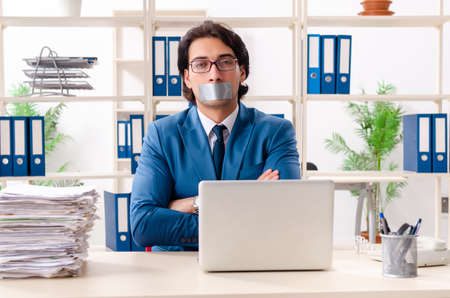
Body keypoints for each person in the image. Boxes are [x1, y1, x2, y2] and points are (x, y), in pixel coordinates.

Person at [130, 21, 300, 251]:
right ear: (187, 78)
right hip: (178, 271)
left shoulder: (276, 132)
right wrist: (243, 200)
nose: (214, 75)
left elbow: (284, 216)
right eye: (201, 65)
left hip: (252, 264)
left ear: (242, 72)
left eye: (225, 62)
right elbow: (144, 225)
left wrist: (181, 205)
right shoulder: (162, 134)